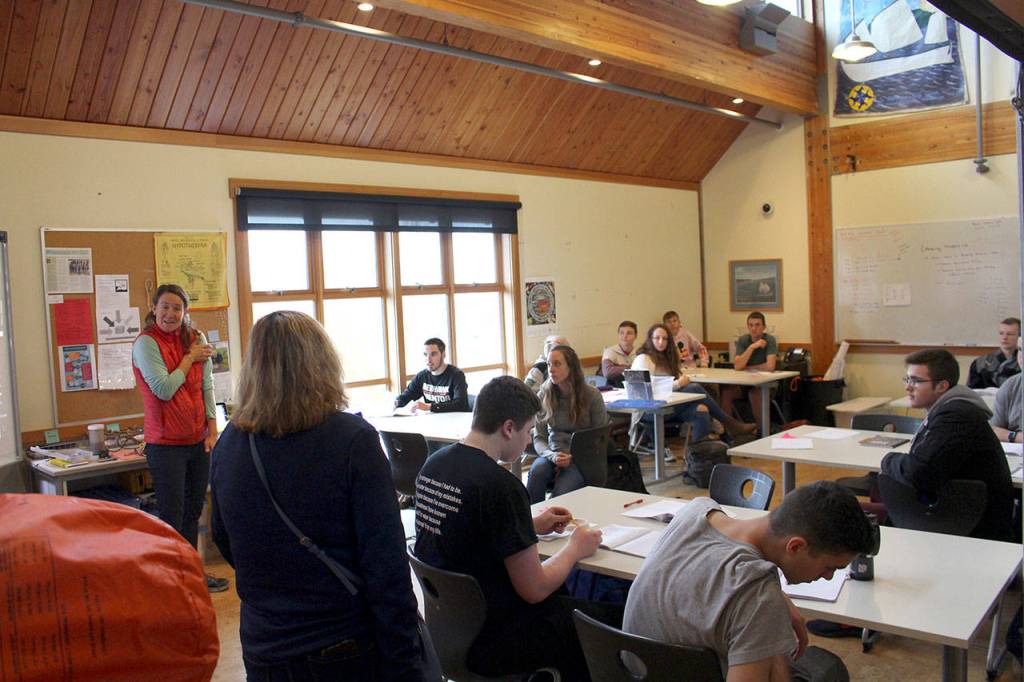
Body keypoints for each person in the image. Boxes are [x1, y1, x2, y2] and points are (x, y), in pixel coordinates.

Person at [211, 311, 423, 680]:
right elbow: (386, 568)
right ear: (323, 363)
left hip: (264, 646)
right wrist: (406, 663)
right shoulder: (353, 440)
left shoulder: (230, 442)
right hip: (341, 646)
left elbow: (224, 539)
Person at [413, 375, 622, 680]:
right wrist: (575, 548)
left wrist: (528, 525)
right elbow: (535, 589)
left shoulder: (434, 465)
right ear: (508, 428)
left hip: (446, 627)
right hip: (495, 637)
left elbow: (464, 531)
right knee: (604, 621)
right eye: (528, 431)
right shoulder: (500, 486)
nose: (528, 441)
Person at [624, 482, 874, 681]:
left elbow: (717, 575)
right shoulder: (760, 598)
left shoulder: (696, 510)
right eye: (830, 567)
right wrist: (773, 622)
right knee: (828, 667)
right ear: (796, 546)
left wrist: (778, 604)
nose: (829, 577)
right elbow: (753, 597)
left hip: (629, 671)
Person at [131, 284, 228, 594]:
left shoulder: (196, 338)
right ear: (154, 308)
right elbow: (163, 389)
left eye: (177, 308)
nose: (170, 313)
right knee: (172, 516)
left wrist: (212, 428)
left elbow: (208, 386)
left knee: (192, 512)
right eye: (165, 307)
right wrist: (189, 359)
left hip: (198, 441)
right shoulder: (146, 343)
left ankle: (191, 575)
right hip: (165, 445)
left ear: (185, 312)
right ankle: (171, 582)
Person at [881, 348, 1013, 541]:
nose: (908, 387)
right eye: (907, 379)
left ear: (942, 386)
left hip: (975, 528)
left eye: (916, 381)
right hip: (957, 517)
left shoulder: (957, 416)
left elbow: (919, 472)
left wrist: (888, 459)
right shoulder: (948, 410)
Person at [631, 324, 755, 451]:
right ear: (650, 339)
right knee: (695, 388)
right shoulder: (643, 359)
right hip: (649, 409)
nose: (661, 342)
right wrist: (678, 384)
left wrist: (679, 379)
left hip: (670, 405)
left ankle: (699, 454)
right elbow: (643, 389)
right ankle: (729, 424)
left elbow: (673, 380)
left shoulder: (666, 358)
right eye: (657, 338)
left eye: (665, 339)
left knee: (702, 409)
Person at [526, 344, 608, 503]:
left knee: (561, 493)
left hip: (582, 458)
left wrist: (569, 457)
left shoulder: (592, 395)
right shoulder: (544, 393)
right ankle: (531, 516)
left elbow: (600, 438)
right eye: (549, 364)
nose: (551, 369)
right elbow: (539, 438)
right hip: (554, 453)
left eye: (557, 364)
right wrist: (553, 456)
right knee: (537, 472)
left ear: (571, 366)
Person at [721, 311, 779, 433]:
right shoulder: (743, 340)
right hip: (745, 383)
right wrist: (752, 347)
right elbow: (738, 366)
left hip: (764, 384)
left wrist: (747, 367)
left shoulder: (770, 340)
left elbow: (770, 366)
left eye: (757, 325)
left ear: (764, 327)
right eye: (751, 325)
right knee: (727, 393)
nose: (754, 328)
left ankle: (762, 430)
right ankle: (729, 431)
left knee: (754, 394)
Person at [395, 337, 469, 412]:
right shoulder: (422, 376)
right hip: (432, 418)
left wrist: (430, 407)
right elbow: (405, 396)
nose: (428, 359)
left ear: (443, 354)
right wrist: (396, 403)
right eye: (425, 354)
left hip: (455, 418)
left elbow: (460, 405)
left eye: (433, 354)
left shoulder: (456, 375)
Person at [967, 317, 1021, 388]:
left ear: (1020, 337)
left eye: (1010, 334)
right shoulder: (981, 363)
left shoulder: (1021, 362)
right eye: (1001, 333)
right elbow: (971, 391)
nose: (1004, 337)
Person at [990, 342, 1023, 443]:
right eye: (1020, 349)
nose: (1022, 356)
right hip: (1016, 449)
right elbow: (994, 430)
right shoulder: (1011, 385)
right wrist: (1016, 437)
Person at [601, 321, 637, 387]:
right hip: (616, 389)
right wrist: (632, 367)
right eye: (621, 333)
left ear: (635, 336)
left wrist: (618, 368)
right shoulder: (610, 351)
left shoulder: (639, 352)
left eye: (629, 333)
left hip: (635, 387)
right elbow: (607, 372)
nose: (625, 336)